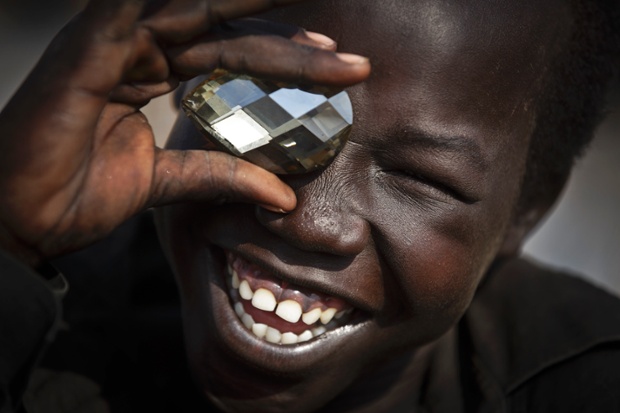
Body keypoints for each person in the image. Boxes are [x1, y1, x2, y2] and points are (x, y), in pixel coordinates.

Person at [0, 0, 619, 412]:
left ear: (526, 211)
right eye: (266, 114)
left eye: (417, 178)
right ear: (187, 84)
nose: (305, 218)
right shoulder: (48, 314)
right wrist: (10, 245)